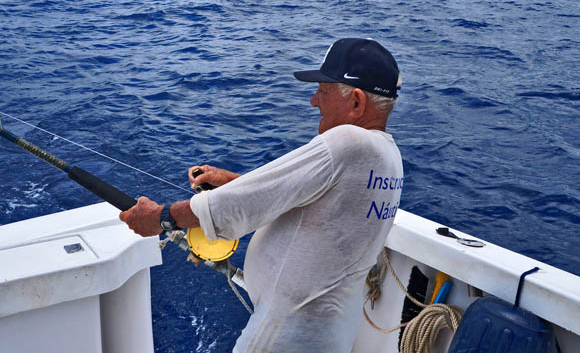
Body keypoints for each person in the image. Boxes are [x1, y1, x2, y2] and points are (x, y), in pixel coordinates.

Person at [120, 37, 404, 352]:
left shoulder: (348, 142)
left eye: (323, 91)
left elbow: (241, 205)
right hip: (328, 330)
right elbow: (304, 199)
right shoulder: (387, 156)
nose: (313, 101)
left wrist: (160, 218)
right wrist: (234, 182)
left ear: (356, 102)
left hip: (288, 332)